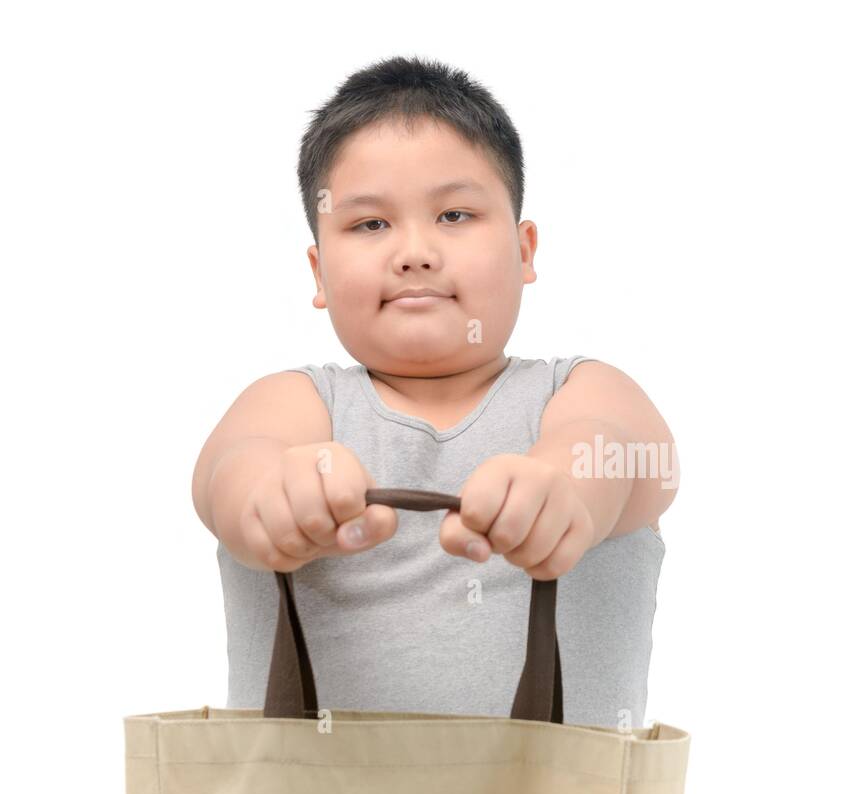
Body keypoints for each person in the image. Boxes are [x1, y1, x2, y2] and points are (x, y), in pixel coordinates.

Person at [191, 56, 678, 729]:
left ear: (525, 248)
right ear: (319, 270)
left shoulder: (585, 391)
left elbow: (619, 452)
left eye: (454, 214)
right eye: (369, 225)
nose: (414, 251)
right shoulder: (295, 405)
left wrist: (560, 487)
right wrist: (268, 497)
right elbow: (230, 471)